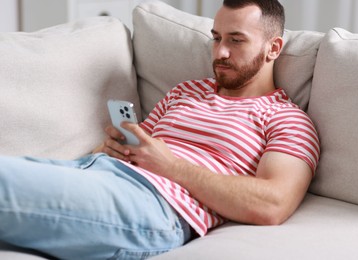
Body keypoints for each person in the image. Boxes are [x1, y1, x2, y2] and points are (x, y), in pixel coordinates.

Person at [0, 0, 320, 259]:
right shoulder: (185, 91)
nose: (220, 52)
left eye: (236, 40)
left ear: (274, 48)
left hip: (153, 206)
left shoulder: (287, 119)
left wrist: (171, 167)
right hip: (91, 171)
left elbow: (273, 205)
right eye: (217, 37)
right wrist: (113, 147)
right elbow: (143, 148)